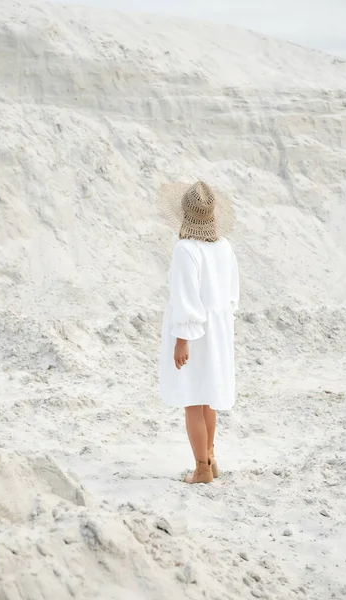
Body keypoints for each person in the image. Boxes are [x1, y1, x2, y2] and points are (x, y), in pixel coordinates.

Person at [159, 180, 239, 484]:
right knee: (207, 397)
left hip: (195, 331)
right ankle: (211, 458)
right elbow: (232, 295)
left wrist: (181, 341)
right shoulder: (224, 246)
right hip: (218, 330)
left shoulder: (185, 250)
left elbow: (186, 300)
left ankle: (201, 468)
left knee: (192, 398)